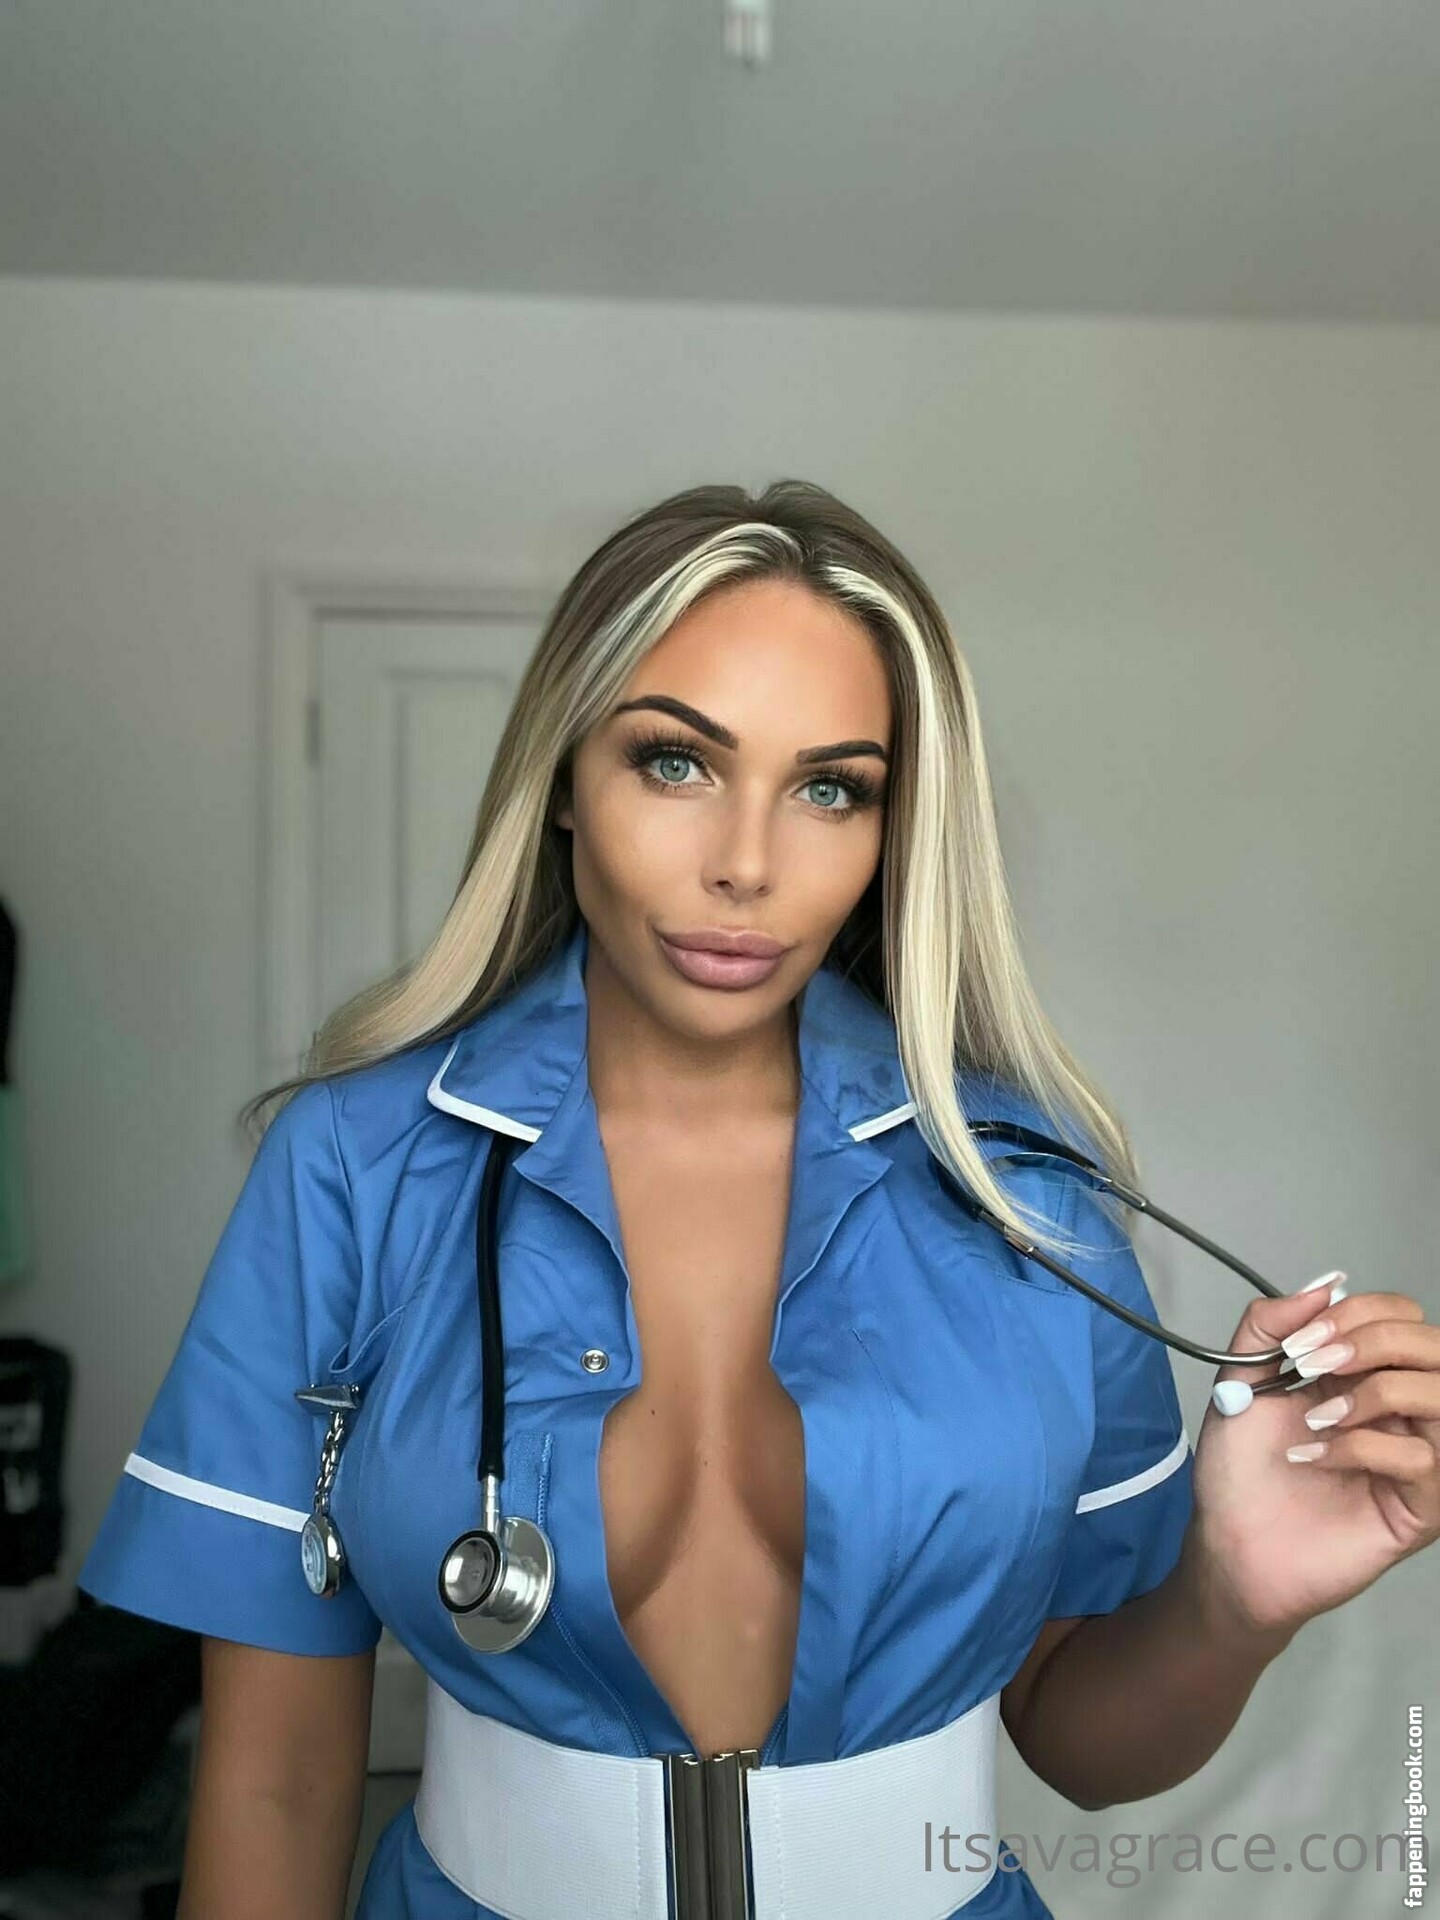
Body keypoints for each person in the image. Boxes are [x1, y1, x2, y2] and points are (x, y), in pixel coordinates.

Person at [77, 481, 1440, 1919]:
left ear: (894, 831)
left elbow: (1081, 1741)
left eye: (830, 788)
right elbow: (277, 1780)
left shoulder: (1026, 1191)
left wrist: (1232, 1600)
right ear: (562, 776)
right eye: (674, 763)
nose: (747, 862)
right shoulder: (354, 1168)